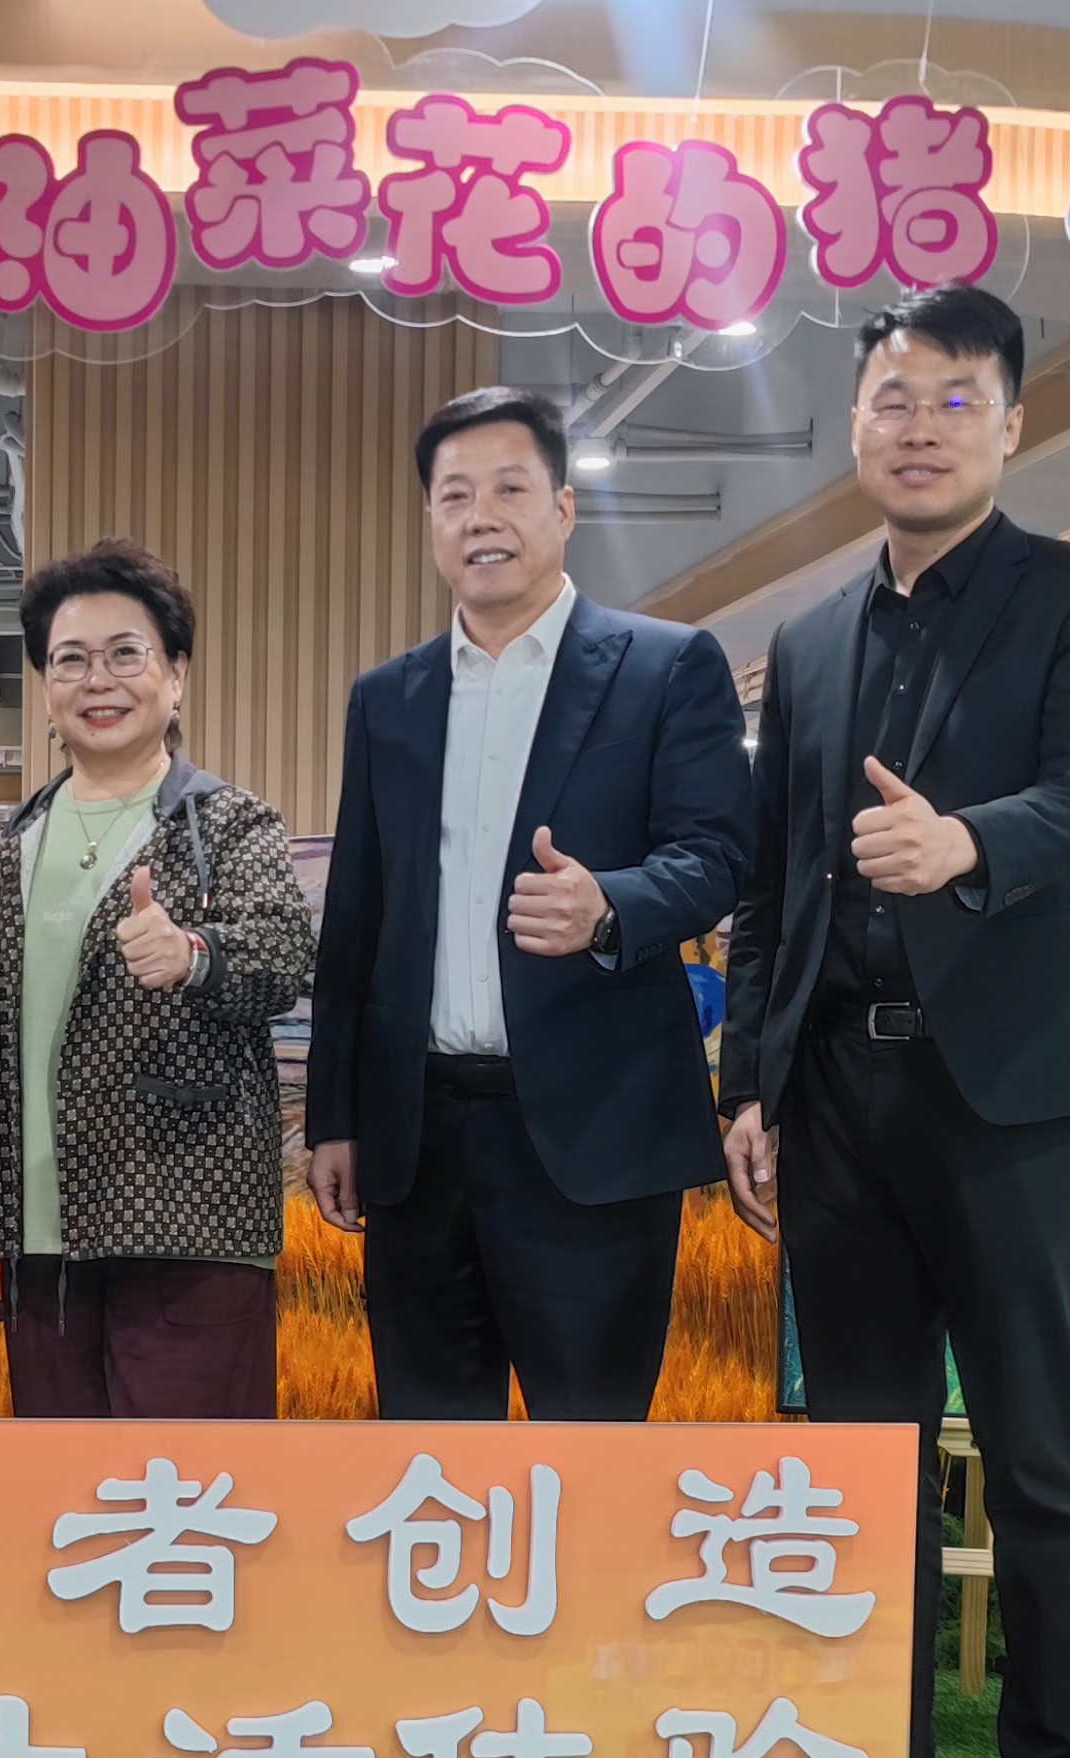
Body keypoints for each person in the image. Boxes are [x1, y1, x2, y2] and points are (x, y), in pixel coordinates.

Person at [717, 286, 1070, 1758]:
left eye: (953, 399)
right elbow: (774, 880)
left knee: (1037, 1453)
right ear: (854, 428)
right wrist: (748, 1081)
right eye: (892, 400)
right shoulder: (810, 643)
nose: (919, 426)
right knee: (862, 1458)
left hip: (1011, 1095)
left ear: (1011, 425)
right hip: (836, 1097)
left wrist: (965, 841)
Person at [304, 386, 750, 1421]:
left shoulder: (663, 666)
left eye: (510, 489)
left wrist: (611, 906)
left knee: (588, 1455)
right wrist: (336, 1117)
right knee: (429, 1460)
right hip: (419, 1142)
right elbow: (358, 920)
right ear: (430, 521)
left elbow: (721, 855)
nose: (481, 517)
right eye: (454, 496)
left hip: (592, 1136)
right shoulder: (388, 699)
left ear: (563, 509)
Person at [0, 539, 312, 1417]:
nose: (98, 680)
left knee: (191, 1484)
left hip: (189, 1226)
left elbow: (284, 955)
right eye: (70, 660)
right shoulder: (5, 853)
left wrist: (195, 956)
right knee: (63, 1490)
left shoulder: (229, 824)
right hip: (39, 1240)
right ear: (45, 688)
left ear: (176, 675)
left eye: (125, 654)